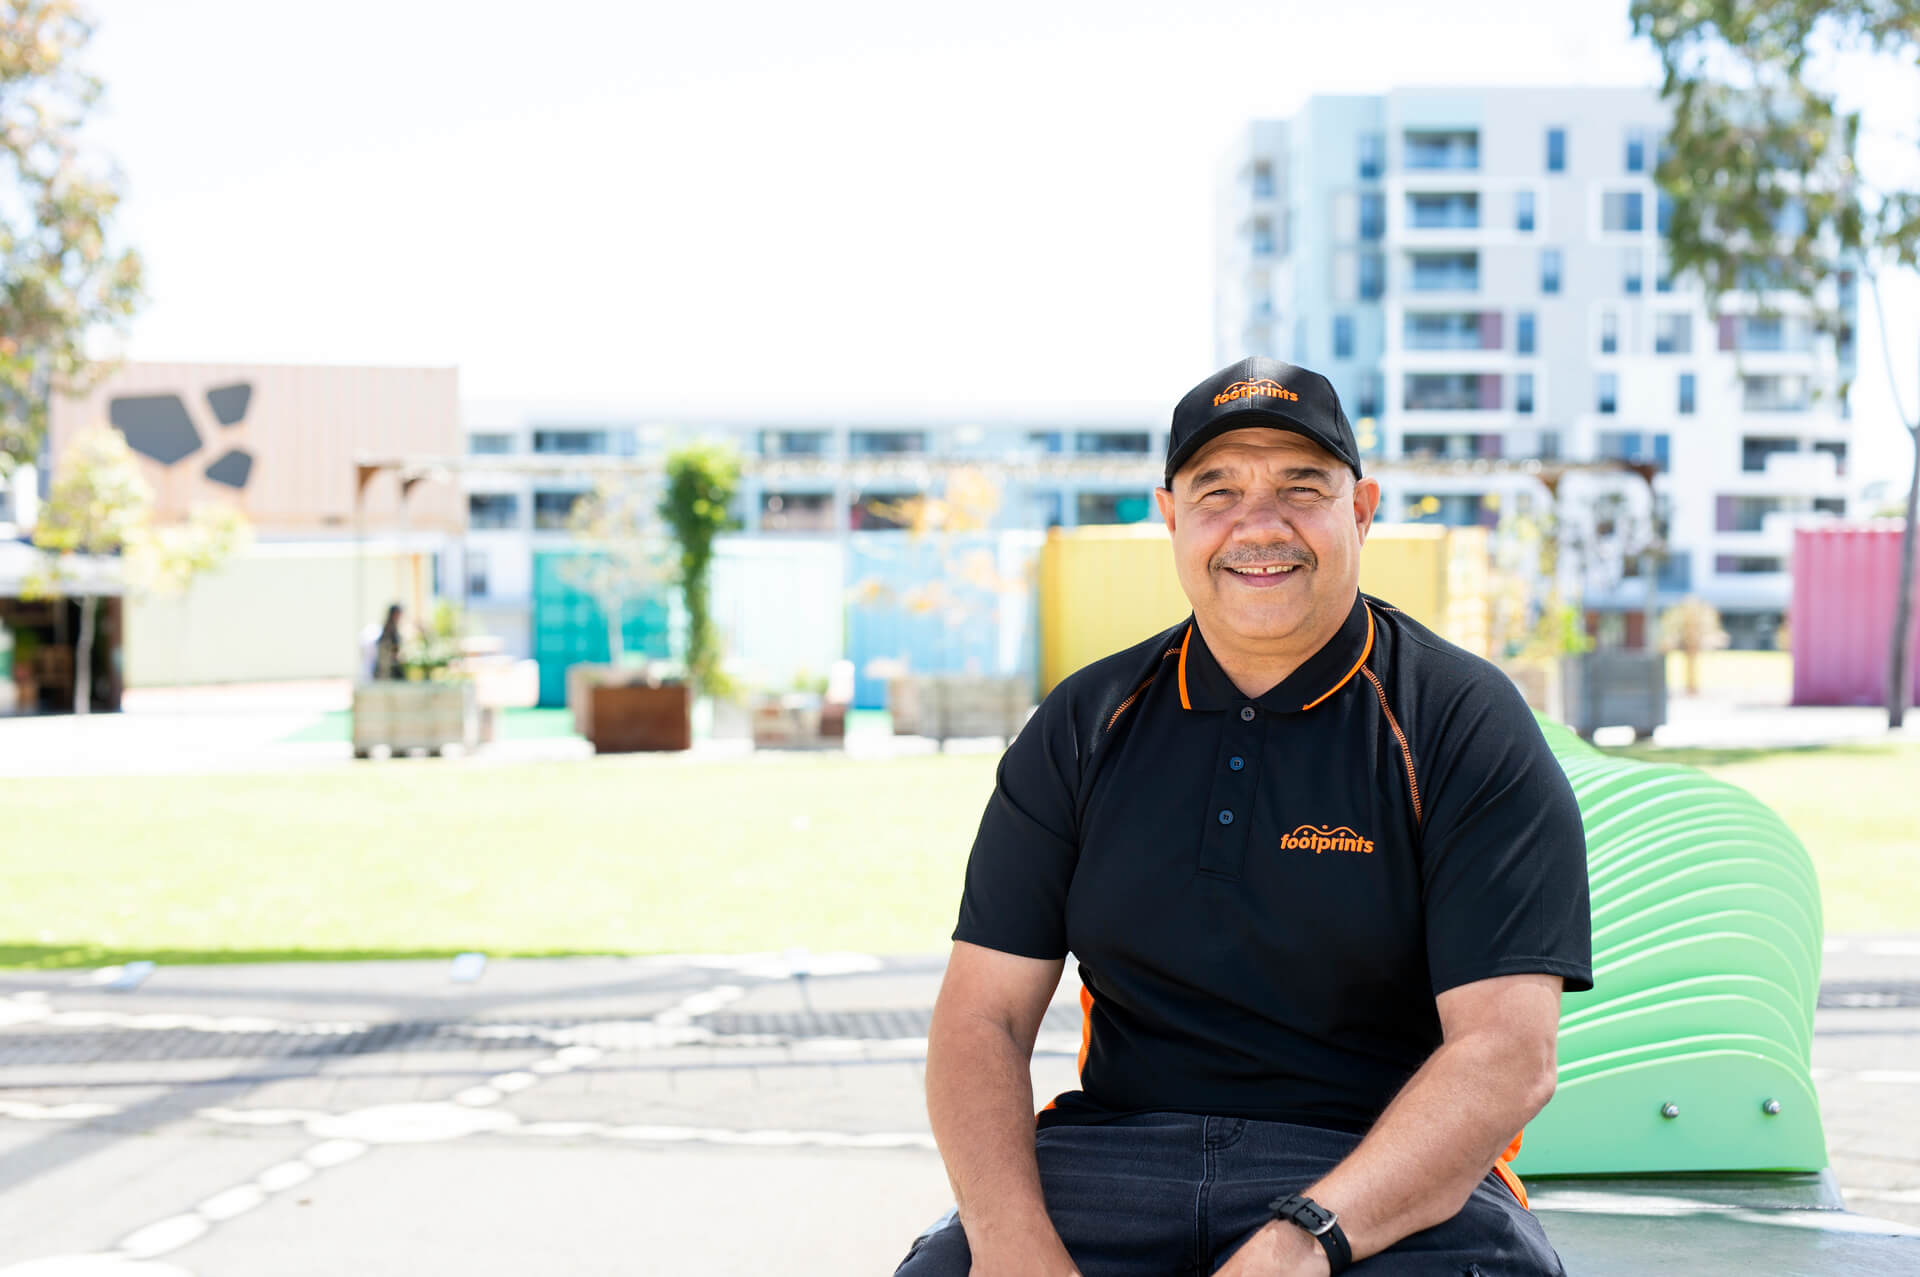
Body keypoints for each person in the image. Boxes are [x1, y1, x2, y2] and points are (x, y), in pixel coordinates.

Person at [899, 357, 1592, 1276]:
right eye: (1217, 489)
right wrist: (1013, 1245)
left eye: (1301, 486)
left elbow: (1508, 1053)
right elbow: (979, 1020)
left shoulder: (1459, 720)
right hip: (1114, 1162)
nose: (1258, 524)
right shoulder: (1084, 722)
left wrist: (1303, 1240)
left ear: (1362, 508)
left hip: (1380, 1180)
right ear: (1170, 514)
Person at [371, 604, 405, 681]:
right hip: (385, 672)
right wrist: (398, 655)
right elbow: (393, 649)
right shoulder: (390, 630)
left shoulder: (391, 628)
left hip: (386, 670)